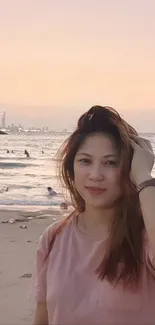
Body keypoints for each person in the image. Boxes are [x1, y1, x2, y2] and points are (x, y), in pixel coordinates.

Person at [33, 105, 155, 325]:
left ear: (129, 169)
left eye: (111, 163)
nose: (95, 175)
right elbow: (43, 315)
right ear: (71, 168)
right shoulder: (53, 238)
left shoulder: (145, 236)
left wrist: (145, 178)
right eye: (85, 161)